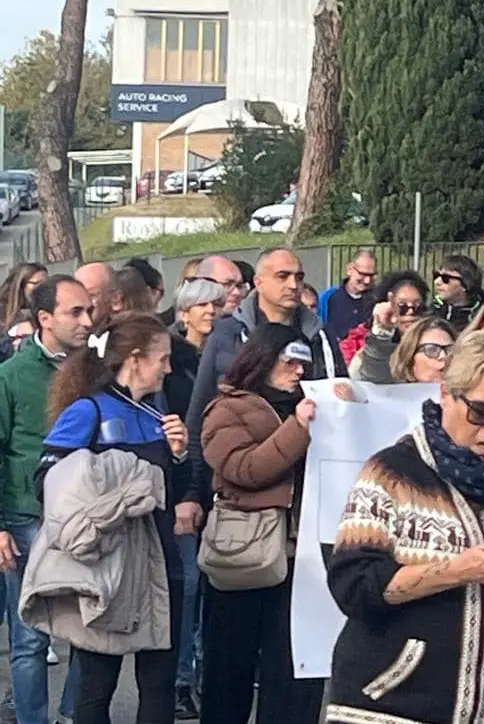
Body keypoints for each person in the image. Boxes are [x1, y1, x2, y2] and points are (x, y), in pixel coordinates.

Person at [323, 332, 484, 724]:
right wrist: (456, 572)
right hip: (390, 707)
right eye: (480, 411)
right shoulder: (390, 472)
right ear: (446, 394)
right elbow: (353, 587)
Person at [30, 312, 189, 724]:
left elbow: (169, 494)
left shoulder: (158, 413)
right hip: (108, 565)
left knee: (159, 685)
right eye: (163, 359)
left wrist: (180, 456)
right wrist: (119, 490)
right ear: (135, 359)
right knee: (96, 687)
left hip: (160, 561)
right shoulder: (87, 410)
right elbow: (48, 481)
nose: (168, 369)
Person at [197, 323, 326, 724]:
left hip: (300, 557)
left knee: (295, 670)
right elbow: (244, 468)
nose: (298, 370)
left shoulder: (312, 405)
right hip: (245, 556)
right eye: (290, 360)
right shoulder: (227, 407)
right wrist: (297, 429)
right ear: (263, 358)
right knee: (229, 668)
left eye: (305, 362)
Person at [181, 249, 346, 559]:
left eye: (299, 277)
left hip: (308, 495)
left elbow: (342, 404)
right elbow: (198, 413)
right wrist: (190, 493)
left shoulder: (321, 337)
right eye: (282, 276)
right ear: (258, 282)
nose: (293, 285)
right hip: (244, 505)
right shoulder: (227, 334)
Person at [0, 275, 93, 724]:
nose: (87, 321)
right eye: (75, 312)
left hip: (86, 517)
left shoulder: (97, 369)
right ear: (44, 318)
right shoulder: (12, 375)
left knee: (86, 631)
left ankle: (73, 715)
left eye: (89, 310)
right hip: (26, 516)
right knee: (30, 638)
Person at [165, 278, 226, 717]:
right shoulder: (172, 363)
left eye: (217, 304)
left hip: (223, 485)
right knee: (188, 587)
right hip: (187, 484)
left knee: (215, 584)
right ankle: (180, 680)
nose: (211, 310)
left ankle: (209, 670)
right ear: (183, 312)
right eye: (202, 304)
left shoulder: (228, 357)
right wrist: (187, 490)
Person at [348, 270, 431, 378]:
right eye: (402, 306)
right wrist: (382, 334)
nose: (410, 312)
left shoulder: (435, 349)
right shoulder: (369, 354)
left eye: (417, 306)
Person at [319, 251, 378, 344]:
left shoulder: (378, 299)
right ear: (349, 269)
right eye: (362, 274)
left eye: (371, 275)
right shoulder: (328, 298)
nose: (367, 281)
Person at [387, 318, 458, 385]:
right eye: (432, 349)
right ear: (409, 357)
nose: (444, 356)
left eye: (450, 349)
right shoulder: (391, 395)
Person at [432, 254, 484, 330]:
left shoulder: (482, 318)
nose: (437, 282)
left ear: (466, 284)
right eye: (436, 275)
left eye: (445, 278)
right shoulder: (430, 312)